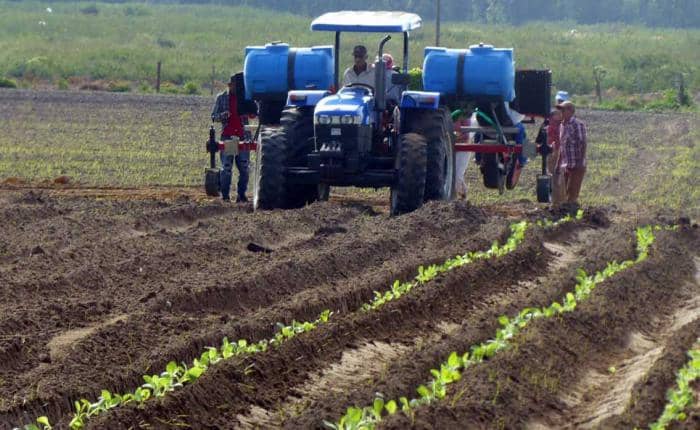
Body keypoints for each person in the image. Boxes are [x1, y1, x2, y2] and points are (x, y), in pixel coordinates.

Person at [211, 74, 250, 202]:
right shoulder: (222, 98)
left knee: (244, 168)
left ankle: (241, 195)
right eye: (236, 86)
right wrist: (223, 115)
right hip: (228, 137)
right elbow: (214, 116)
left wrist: (251, 112)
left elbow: (255, 113)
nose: (238, 88)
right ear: (229, 85)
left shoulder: (246, 97)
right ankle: (226, 196)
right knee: (227, 168)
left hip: (243, 136)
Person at [557, 100, 587, 209]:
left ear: (570, 111)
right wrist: (558, 164)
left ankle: (572, 217)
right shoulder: (562, 125)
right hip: (566, 165)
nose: (561, 112)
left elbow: (583, 143)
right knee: (563, 193)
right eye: (560, 110)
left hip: (576, 164)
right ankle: (566, 214)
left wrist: (580, 161)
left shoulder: (577, 124)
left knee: (572, 192)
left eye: (563, 110)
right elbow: (562, 146)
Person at [451, 109, 472, 199]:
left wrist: (453, 140)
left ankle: (462, 197)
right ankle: (461, 196)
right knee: (452, 175)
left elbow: (466, 136)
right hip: (451, 149)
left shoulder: (464, 116)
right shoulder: (447, 116)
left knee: (457, 175)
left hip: (463, 149)